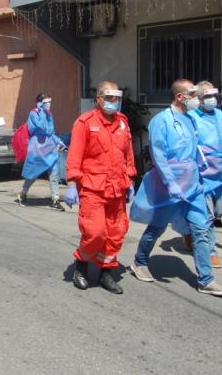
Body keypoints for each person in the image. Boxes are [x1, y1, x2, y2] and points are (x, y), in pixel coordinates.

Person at [129, 79, 222, 297]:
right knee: (156, 228)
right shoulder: (161, 121)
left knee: (201, 229)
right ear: (180, 97)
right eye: (193, 94)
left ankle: (206, 280)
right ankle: (140, 261)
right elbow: (158, 155)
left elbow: (196, 149)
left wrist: (204, 168)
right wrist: (170, 183)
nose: (197, 98)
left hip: (193, 185)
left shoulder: (190, 120)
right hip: (169, 185)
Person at [66, 81, 136, 294]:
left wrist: (131, 179)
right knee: (95, 232)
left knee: (116, 232)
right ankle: (82, 265)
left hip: (117, 187)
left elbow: (128, 155)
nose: (113, 102)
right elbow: (75, 154)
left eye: (117, 98)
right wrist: (71, 184)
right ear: (98, 99)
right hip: (92, 187)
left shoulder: (123, 123)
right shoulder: (85, 122)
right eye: (109, 97)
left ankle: (106, 272)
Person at [182, 81, 222, 267]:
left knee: (217, 210)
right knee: (206, 213)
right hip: (203, 170)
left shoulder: (221, 116)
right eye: (206, 96)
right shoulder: (191, 117)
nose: (211, 100)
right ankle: (210, 251)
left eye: (213, 95)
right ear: (198, 99)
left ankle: (189, 231)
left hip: (221, 170)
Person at [17, 93, 65, 210]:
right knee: (33, 175)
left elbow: (51, 131)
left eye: (50, 102)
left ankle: (55, 199)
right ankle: (23, 193)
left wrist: (59, 141)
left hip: (50, 147)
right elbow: (40, 127)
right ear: (40, 103)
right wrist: (40, 112)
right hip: (37, 148)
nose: (49, 105)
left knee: (54, 175)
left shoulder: (49, 114)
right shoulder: (34, 113)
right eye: (46, 102)